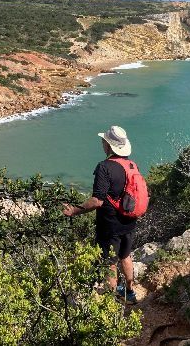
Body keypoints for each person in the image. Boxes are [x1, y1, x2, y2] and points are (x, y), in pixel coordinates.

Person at [62, 125, 138, 304]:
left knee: (109, 263)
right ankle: (130, 292)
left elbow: (97, 201)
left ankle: (112, 301)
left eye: (104, 141)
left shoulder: (104, 167)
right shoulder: (131, 165)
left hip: (110, 225)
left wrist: (74, 210)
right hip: (129, 221)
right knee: (125, 256)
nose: (102, 143)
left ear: (109, 146)